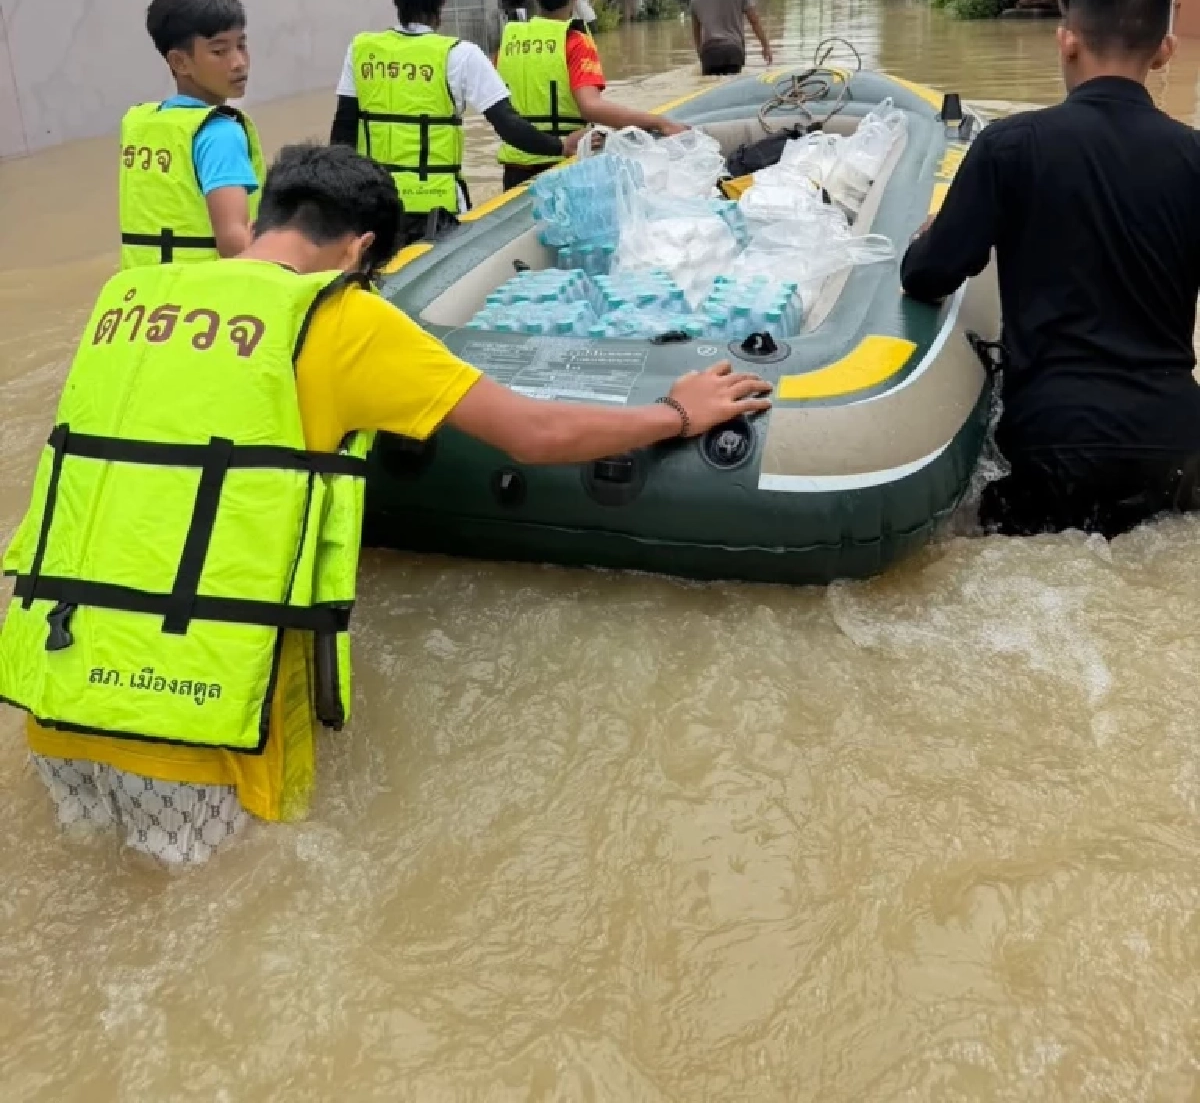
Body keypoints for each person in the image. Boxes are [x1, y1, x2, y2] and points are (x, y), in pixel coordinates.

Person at [0, 144, 772, 865]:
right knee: (217, 911)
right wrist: (677, 413)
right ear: (361, 249)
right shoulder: (337, 318)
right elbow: (534, 433)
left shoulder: (131, 298)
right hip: (196, 713)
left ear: (268, 215)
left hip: (56, 682)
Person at [901, 0, 1200, 538]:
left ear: (1066, 41)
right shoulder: (1194, 156)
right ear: (1164, 53)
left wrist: (934, 235)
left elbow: (927, 276)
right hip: (1179, 439)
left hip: (1056, 438)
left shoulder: (1011, 146)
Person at [331, 0, 582, 243]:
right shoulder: (460, 55)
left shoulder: (361, 50)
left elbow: (341, 137)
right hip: (437, 214)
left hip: (374, 211)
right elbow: (509, 126)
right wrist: (561, 146)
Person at [496, 0, 686, 191]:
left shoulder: (509, 38)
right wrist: (659, 122)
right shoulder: (574, 40)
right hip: (562, 165)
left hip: (514, 170)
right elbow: (591, 107)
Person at [120, 0, 264, 267]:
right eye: (219, 51)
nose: (239, 62)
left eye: (241, 45)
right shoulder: (219, 133)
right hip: (208, 291)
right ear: (179, 62)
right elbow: (234, 244)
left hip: (145, 291)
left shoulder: (140, 125)